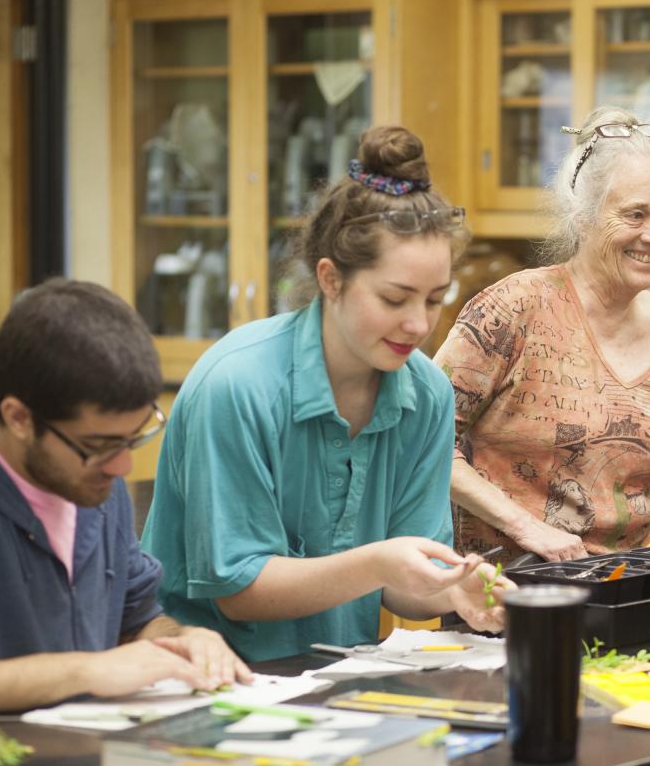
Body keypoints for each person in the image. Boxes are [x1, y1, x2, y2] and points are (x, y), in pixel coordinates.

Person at [142, 126, 511, 663]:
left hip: (335, 681)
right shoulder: (238, 386)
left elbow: (403, 583)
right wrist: (380, 563)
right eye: (394, 298)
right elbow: (240, 592)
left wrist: (448, 588)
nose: (417, 324)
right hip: (207, 681)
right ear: (331, 280)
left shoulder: (427, 393)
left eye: (434, 300)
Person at [433, 106, 650, 561]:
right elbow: (422, 440)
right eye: (635, 214)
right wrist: (526, 528)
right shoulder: (514, 308)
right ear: (582, 218)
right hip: (505, 595)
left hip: (630, 590)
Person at [0, 280, 250, 713]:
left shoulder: (96, 491)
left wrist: (184, 640)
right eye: (100, 445)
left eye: (134, 437)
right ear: (18, 418)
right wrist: (88, 670)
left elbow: (137, 620)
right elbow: (100, 665)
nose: (121, 466)